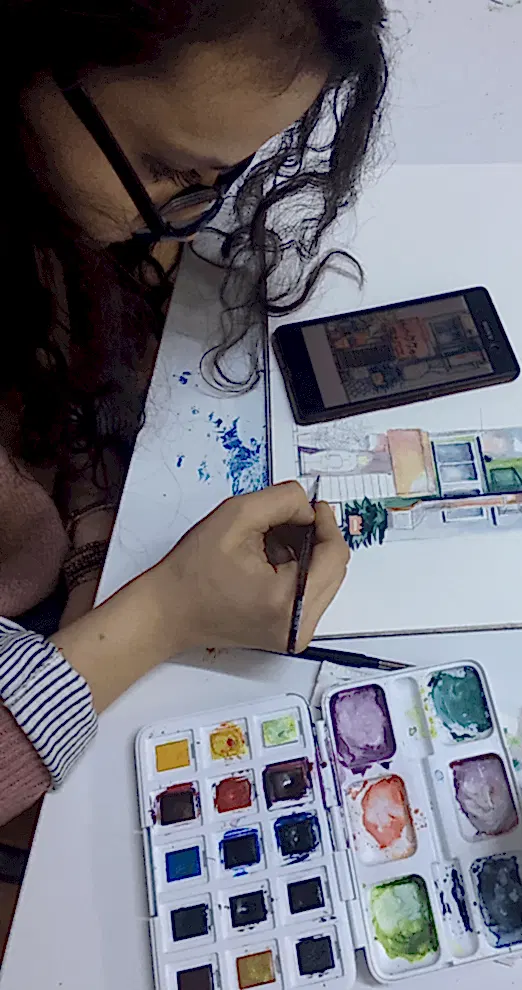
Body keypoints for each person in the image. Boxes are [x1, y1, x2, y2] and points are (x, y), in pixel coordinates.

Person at [0, 0, 388, 833]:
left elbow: (56, 388)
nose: (188, 220)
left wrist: (95, 548)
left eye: (232, 173)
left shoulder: (55, 209)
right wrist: (165, 615)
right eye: (172, 169)